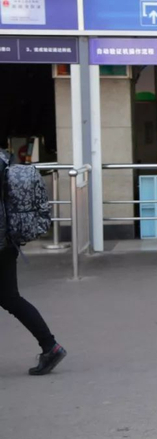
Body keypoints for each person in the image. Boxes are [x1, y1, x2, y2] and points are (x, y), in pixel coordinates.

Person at [0, 148, 67, 375]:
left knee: (10, 298)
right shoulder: (4, 161)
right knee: (10, 298)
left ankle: (51, 346)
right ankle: (50, 347)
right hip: (8, 241)